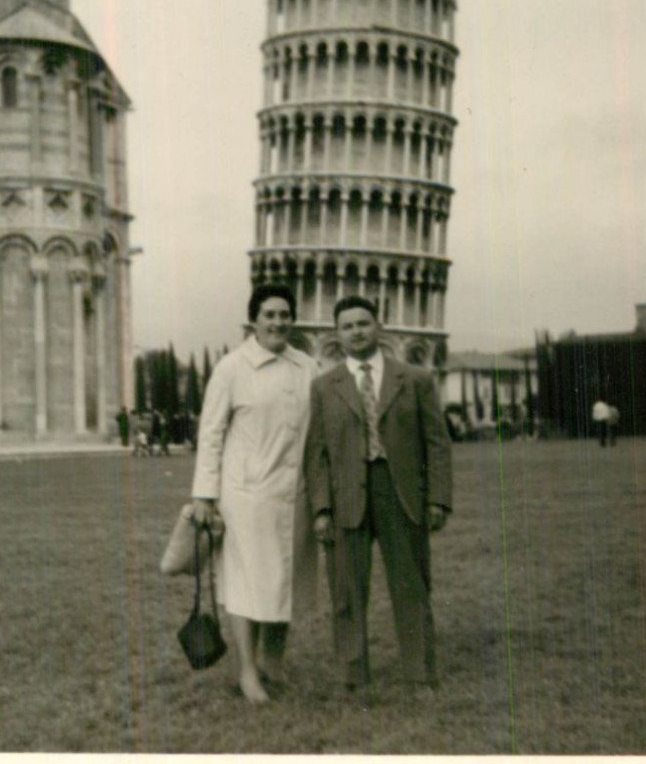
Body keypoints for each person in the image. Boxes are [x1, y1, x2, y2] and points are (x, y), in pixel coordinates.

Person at [304, 296, 452, 695]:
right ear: (337, 334)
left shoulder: (415, 380)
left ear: (379, 326)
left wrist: (438, 498)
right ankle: (351, 673)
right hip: (346, 495)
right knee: (347, 589)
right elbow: (315, 454)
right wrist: (321, 508)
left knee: (411, 585)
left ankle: (419, 671)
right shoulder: (323, 387)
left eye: (363, 323)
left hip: (400, 491)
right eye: (347, 326)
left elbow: (437, 444)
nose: (356, 332)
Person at [191, 283, 319, 704]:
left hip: (296, 493)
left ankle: (273, 664)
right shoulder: (231, 369)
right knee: (248, 583)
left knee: (284, 581)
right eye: (269, 315)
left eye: (285, 314)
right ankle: (247, 671)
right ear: (254, 320)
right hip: (246, 496)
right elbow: (210, 434)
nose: (278, 322)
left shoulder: (307, 367)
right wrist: (204, 495)